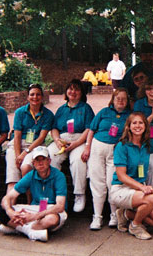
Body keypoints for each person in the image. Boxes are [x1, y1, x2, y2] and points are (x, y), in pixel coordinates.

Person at [110, 112, 153, 240]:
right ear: (128, 126)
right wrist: (142, 187)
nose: (137, 126)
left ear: (145, 126)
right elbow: (121, 176)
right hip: (121, 188)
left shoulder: (147, 143)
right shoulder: (122, 146)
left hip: (139, 190)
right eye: (134, 123)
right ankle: (135, 225)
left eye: (141, 123)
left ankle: (126, 214)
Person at [81, 88, 131, 230]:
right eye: (118, 98)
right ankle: (97, 217)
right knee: (97, 183)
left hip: (115, 151)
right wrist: (87, 147)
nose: (120, 101)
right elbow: (92, 130)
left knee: (112, 183)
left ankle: (114, 215)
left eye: (123, 99)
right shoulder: (104, 112)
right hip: (97, 147)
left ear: (127, 102)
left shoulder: (129, 116)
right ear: (113, 100)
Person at [0, 147, 67, 242]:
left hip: (51, 209)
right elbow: (8, 197)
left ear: (49, 161)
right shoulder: (31, 175)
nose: (40, 163)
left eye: (43, 159)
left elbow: (60, 206)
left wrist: (34, 216)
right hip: (35, 208)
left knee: (51, 220)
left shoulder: (59, 176)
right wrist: (10, 212)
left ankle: (16, 228)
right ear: (33, 163)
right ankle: (29, 231)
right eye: (37, 160)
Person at [47, 79, 95, 213]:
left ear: (81, 93)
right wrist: (57, 140)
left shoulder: (85, 108)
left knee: (78, 160)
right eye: (70, 88)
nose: (72, 92)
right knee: (50, 157)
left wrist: (77, 143)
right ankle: (54, 194)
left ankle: (79, 195)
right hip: (62, 139)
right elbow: (54, 128)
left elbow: (89, 129)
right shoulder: (61, 109)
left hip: (79, 139)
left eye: (76, 89)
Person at [5, 84, 54, 204]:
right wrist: (18, 155)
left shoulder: (48, 114)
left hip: (35, 147)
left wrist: (25, 153)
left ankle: (30, 203)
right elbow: (17, 135)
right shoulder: (20, 112)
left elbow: (42, 137)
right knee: (12, 180)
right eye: (32, 94)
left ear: (42, 97)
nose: (35, 97)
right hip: (17, 145)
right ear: (27, 97)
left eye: (38, 94)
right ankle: (9, 209)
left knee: (26, 167)